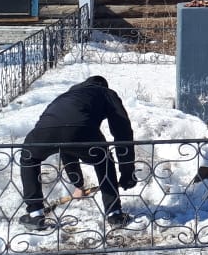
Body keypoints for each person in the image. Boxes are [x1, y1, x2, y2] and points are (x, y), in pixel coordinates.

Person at [18, 76, 137, 230]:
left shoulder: (67, 95)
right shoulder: (106, 93)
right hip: (83, 130)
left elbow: (66, 145)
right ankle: (114, 213)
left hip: (43, 132)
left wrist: (78, 184)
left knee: (29, 157)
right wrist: (127, 173)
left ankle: (35, 214)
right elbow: (122, 132)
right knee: (103, 158)